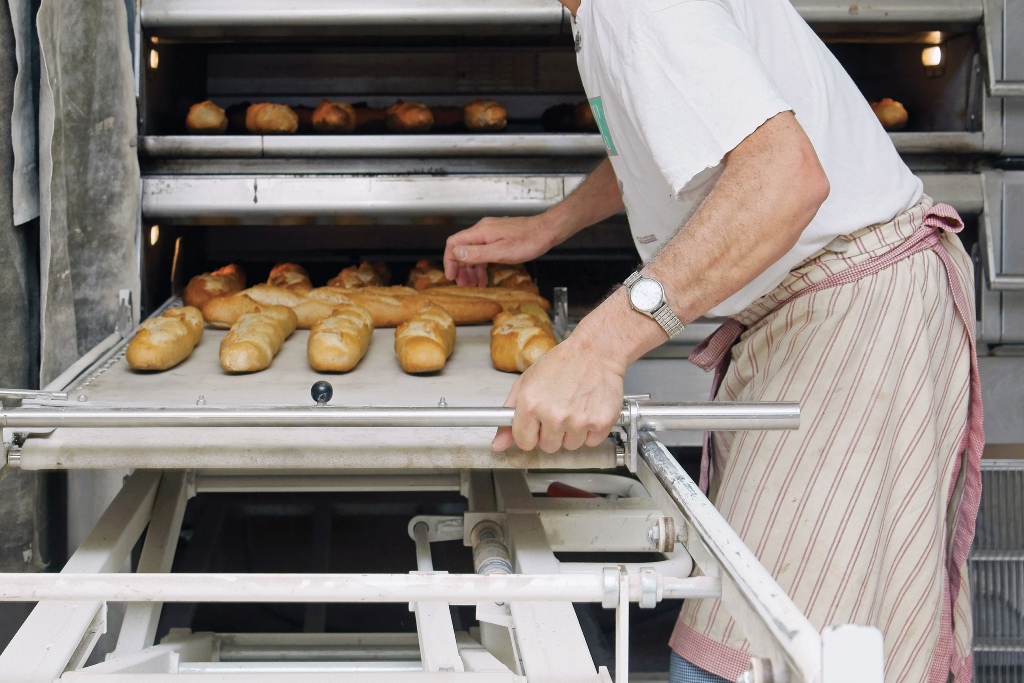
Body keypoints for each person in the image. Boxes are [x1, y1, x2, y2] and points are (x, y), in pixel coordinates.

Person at [443, 0, 983, 681]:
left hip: (854, 317)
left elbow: (785, 178)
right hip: (819, 312)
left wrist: (597, 347)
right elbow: (683, 137)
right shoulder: (602, 13)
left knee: (754, 654)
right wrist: (549, 226)